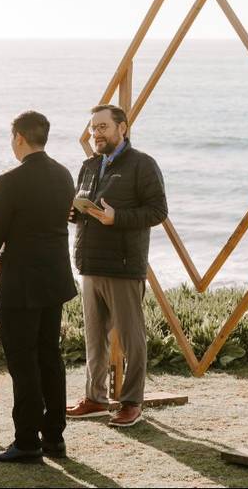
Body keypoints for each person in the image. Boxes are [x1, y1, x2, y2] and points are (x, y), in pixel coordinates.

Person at [0, 111, 78, 462]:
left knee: (23, 362)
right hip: (54, 280)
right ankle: (54, 439)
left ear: (18, 137)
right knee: (50, 356)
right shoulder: (64, 174)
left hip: (20, 284)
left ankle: (27, 442)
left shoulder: (10, 181)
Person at [66, 104, 168, 428]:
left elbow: (158, 212)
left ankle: (131, 403)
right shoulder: (88, 166)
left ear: (122, 128)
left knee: (131, 338)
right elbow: (83, 207)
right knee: (94, 340)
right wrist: (73, 214)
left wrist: (118, 218)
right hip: (90, 264)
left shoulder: (143, 165)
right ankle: (95, 399)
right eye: (93, 128)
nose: (96, 133)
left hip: (124, 266)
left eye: (103, 127)